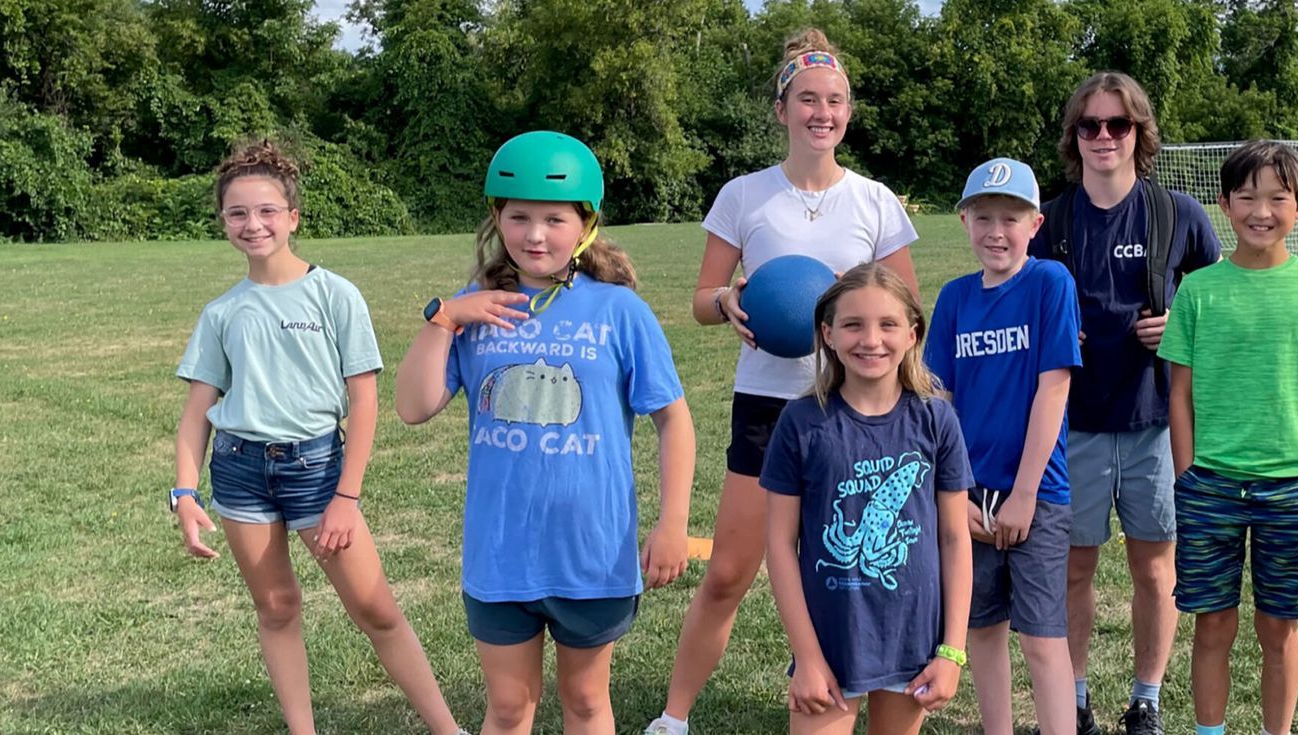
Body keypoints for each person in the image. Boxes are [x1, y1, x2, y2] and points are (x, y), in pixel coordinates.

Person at [648, 26, 920, 735]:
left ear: (847, 112)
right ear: (781, 109)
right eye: (806, 99)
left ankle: (840, 690)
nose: (821, 112)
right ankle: (674, 716)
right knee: (731, 571)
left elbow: (905, 311)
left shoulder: (875, 201)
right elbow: (703, 300)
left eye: (834, 100)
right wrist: (730, 301)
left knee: (853, 571)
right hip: (769, 400)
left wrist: (860, 308)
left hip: (856, 408)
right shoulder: (744, 195)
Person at [394, 131, 696, 735]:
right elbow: (412, 406)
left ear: (584, 223)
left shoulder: (618, 310)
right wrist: (447, 319)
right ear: (496, 219)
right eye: (519, 217)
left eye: (554, 218)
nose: (535, 235)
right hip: (502, 551)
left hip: (591, 551)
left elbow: (674, 421)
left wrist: (673, 524)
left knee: (585, 703)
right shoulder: (474, 308)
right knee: (508, 710)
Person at [169, 140, 464, 735]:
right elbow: (197, 413)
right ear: (223, 222)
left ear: (293, 217)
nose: (253, 224)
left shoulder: (334, 294)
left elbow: (364, 399)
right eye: (237, 213)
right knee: (276, 607)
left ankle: (447, 729)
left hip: (317, 471)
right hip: (240, 472)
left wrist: (346, 498)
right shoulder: (222, 313)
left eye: (267, 211)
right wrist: (185, 492)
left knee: (374, 608)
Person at [1029, 71, 1223, 735]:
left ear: (1140, 132)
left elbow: (1218, 303)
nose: (1104, 136)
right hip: (1072, 424)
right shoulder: (1048, 221)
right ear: (1073, 136)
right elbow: (1020, 306)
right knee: (1074, 566)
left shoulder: (1177, 214)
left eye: (1119, 124)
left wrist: (1182, 328)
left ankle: (1146, 698)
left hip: (1155, 421)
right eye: (1091, 125)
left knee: (1154, 565)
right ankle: (1074, 695)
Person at [1156, 140, 1298, 735]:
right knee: (1212, 625)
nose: (1261, 211)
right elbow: (1179, 393)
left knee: (1279, 627)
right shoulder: (1198, 289)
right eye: (1247, 197)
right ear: (1223, 204)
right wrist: (1186, 473)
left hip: (1292, 487)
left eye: (1277, 198)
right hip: (1211, 485)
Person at [763, 263, 974, 735]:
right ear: (828, 334)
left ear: (913, 335)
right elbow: (779, 545)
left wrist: (952, 651)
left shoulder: (936, 420)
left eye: (887, 325)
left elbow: (955, 538)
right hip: (830, 640)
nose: (871, 340)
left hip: (912, 639)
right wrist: (808, 656)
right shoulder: (801, 423)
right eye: (853, 324)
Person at [925, 158, 1084, 735]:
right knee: (981, 630)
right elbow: (936, 400)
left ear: (1035, 224)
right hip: (968, 491)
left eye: (1011, 218)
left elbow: (1054, 388)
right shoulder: (955, 298)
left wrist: (1023, 494)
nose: (997, 230)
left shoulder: (1049, 283)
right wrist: (956, 493)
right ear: (965, 221)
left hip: (1036, 493)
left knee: (1043, 638)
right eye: (983, 216)